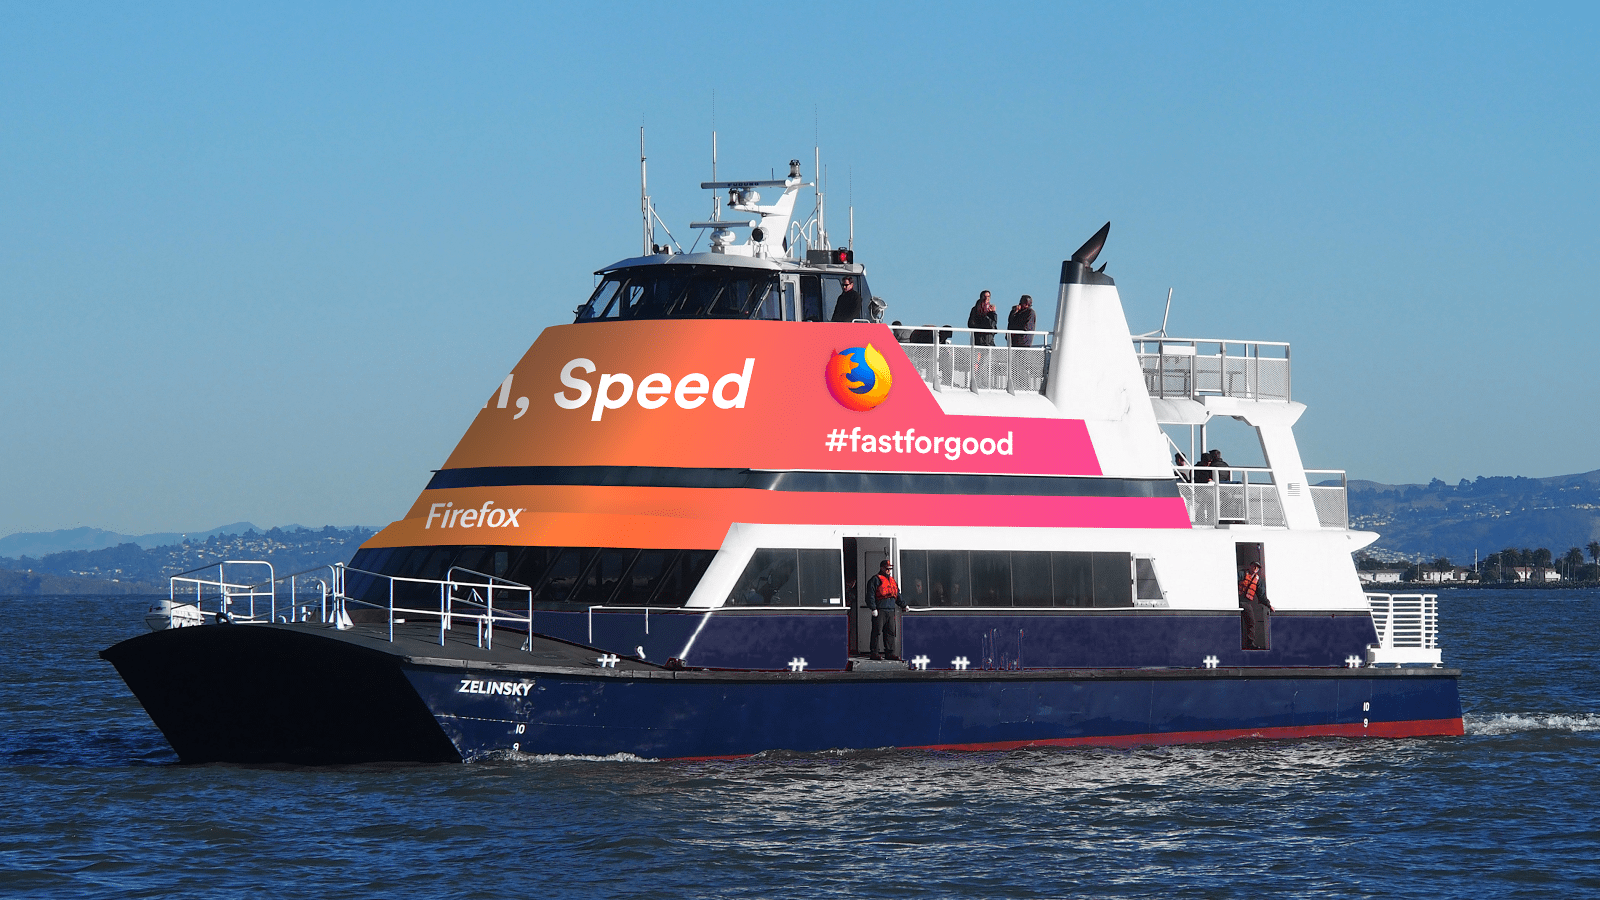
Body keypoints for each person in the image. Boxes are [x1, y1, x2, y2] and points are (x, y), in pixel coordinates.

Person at [864, 558, 907, 660]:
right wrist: (873, 608)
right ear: (881, 568)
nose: (888, 571)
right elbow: (870, 595)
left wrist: (903, 605)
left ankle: (890, 652)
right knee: (876, 631)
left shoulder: (892, 581)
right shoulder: (875, 580)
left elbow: (897, 595)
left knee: (890, 632)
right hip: (880, 609)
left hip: (890, 610)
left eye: (889, 569)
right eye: (887, 568)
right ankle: (874, 653)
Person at [1237, 561, 1272, 650]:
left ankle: (1250, 643)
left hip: (1246, 603)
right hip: (1237, 600)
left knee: (1251, 622)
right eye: (1254, 566)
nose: (1255, 568)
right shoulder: (1242, 574)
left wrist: (1269, 605)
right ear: (1250, 566)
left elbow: (1261, 595)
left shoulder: (1257, 580)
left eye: (1257, 567)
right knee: (1237, 621)